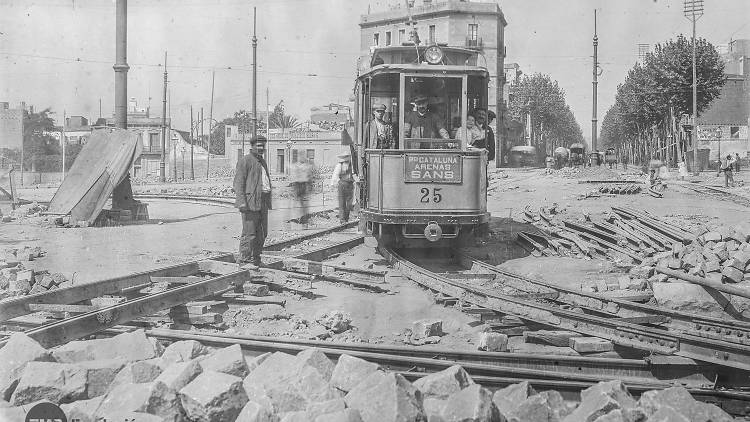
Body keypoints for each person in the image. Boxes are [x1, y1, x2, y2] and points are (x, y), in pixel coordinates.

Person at [233, 136, 272, 268]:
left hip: (262, 202)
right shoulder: (245, 161)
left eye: (263, 146)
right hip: (250, 203)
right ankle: (244, 260)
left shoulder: (262, 161)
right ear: (252, 146)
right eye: (259, 146)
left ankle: (256, 258)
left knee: (262, 233)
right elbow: (238, 183)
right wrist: (241, 202)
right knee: (249, 233)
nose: (261, 148)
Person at [331, 152, 355, 224]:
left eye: (347, 157)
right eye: (345, 157)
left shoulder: (352, 166)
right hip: (342, 184)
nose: (346, 159)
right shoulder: (339, 165)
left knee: (349, 203)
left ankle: (346, 218)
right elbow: (335, 175)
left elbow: (354, 174)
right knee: (342, 202)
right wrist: (334, 184)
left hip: (350, 184)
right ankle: (342, 219)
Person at [290, 157, 313, 225]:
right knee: (302, 204)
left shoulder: (297, 167)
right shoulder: (306, 167)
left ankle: (303, 220)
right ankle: (303, 220)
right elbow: (309, 177)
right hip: (301, 185)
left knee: (301, 204)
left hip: (300, 185)